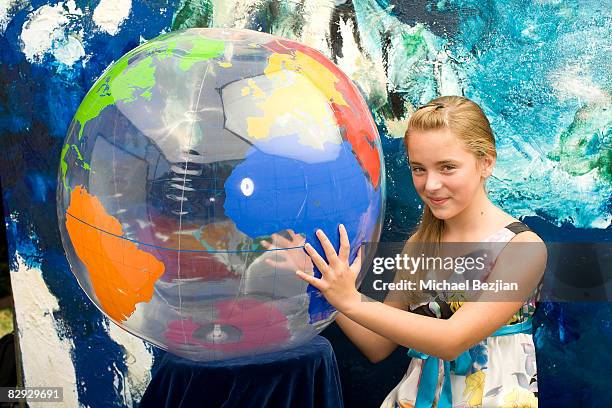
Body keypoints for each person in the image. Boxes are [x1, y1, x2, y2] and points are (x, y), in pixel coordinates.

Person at [295, 96, 547, 407]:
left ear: (486, 163)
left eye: (448, 167)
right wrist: (320, 279)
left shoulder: (522, 247)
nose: (431, 184)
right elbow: (378, 345)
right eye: (419, 169)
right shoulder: (420, 245)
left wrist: (351, 300)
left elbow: (451, 340)